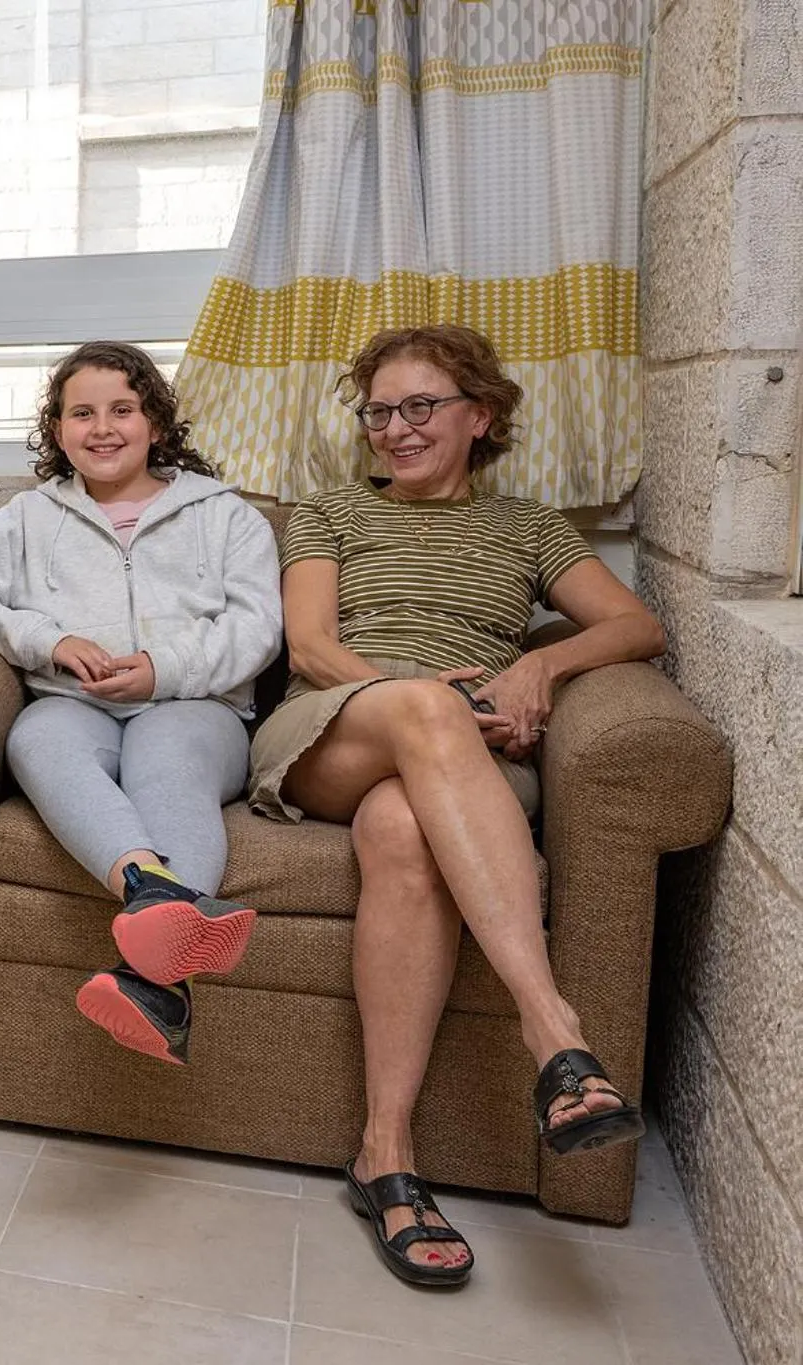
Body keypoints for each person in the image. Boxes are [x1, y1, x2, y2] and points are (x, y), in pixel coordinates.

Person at [250, 324, 667, 1288]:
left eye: (420, 407)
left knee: (403, 829)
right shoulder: (329, 512)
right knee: (418, 720)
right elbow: (309, 646)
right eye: (380, 411)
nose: (395, 429)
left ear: (480, 416)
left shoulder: (528, 527)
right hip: (334, 730)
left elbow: (636, 625)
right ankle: (553, 1032)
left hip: (466, 754)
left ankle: (384, 1156)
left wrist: (539, 666)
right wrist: (426, 699)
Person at [0, 341, 282, 1067]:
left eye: (123, 408)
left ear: (155, 420)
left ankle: (156, 953)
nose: (103, 427)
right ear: (57, 431)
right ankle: (155, 908)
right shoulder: (26, 519)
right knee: (35, 738)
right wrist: (47, 639)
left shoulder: (224, 515)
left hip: (193, 706)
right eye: (81, 413)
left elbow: (256, 629)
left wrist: (162, 669)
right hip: (73, 702)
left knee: (164, 756)